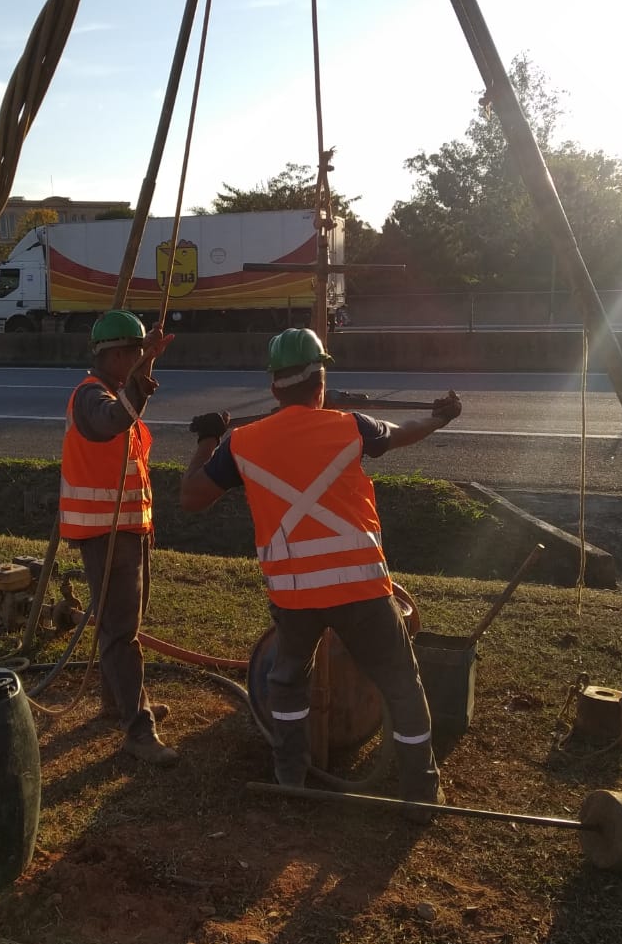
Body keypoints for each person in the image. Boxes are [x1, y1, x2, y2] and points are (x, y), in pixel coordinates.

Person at [179, 327, 462, 810]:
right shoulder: (351, 427)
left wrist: (208, 440)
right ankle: (420, 791)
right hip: (362, 589)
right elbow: (404, 432)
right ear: (321, 382)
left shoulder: (242, 443)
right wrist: (440, 418)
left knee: (287, 681)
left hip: (294, 595)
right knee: (401, 684)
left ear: (273, 387)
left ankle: (290, 777)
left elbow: (191, 498)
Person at [59, 309, 177, 767]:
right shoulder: (91, 397)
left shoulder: (110, 391)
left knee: (122, 625)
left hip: (127, 529)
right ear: (116, 355)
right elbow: (114, 420)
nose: (137, 361)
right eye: (134, 353)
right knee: (121, 631)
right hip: (105, 533)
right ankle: (138, 729)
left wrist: (148, 362)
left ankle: (119, 702)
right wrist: (144, 373)